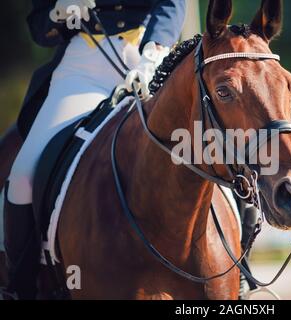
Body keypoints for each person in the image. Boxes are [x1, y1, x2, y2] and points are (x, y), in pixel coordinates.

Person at [3, 0, 186, 299]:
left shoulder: (154, 52)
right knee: (23, 174)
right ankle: (20, 287)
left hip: (150, 52)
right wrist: (58, 12)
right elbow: (39, 25)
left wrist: (155, 52)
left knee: (207, 138)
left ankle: (238, 271)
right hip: (83, 66)